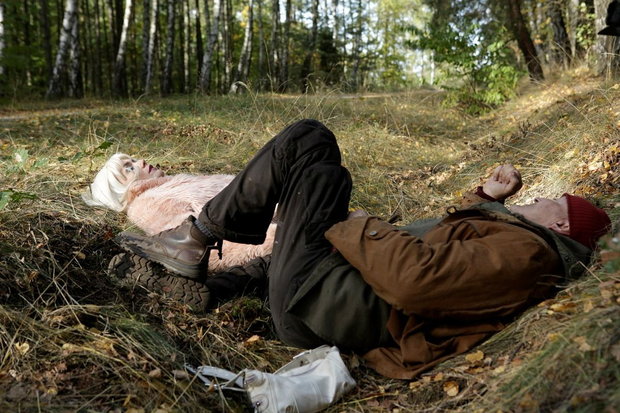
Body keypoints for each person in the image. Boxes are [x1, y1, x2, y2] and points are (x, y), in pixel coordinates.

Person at [114, 119, 611, 379]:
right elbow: (449, 246)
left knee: (309, 140)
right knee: (326, 179)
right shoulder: (520, 244)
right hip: (326, 292)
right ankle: (211, 286)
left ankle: (197, 236)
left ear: (562, 223)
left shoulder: (530, 254)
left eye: (546, 202)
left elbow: (418, 282)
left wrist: (360, 225)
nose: (536, 199)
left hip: (324, 302)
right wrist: (487, 199)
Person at [83, 153, 275, 272]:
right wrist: (276, 238)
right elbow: (194, 247)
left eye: (132, 160)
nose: (141, 161)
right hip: (278, 225)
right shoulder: (147, 205)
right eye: (129, 168)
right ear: (119, 191)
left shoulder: (169, 185)